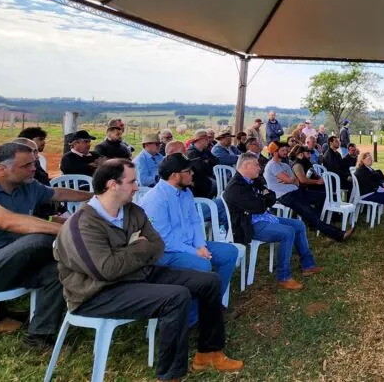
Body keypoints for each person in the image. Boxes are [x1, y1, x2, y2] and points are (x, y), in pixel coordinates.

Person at [54, 159, 243, 377]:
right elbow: (105, 270)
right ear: (111, 185)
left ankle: (209, 353)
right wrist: (139, 247)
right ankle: (170, 375)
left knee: (209, 281)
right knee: (177, 296)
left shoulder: (132, 211)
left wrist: (136, 249)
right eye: (131, 182)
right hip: (98, 292)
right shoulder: (82, 223)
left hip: (137, 275)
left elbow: (157, 245)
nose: (137, 187)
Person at [0, 142, 92, 348]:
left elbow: (59, 193)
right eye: (27, 165)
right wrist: (69, 232)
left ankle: (39, 337)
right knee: (38, 240)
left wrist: (96, 197)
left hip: (5, 266)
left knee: (57, 270)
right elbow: (6, 221)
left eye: (34, 163)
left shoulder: (27, 187)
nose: (34, 169)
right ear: (1, 169)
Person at [139, 154, 238, 308]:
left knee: (229, 252)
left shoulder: (185, 192)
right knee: (203, 266)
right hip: (167, 253)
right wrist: (195, 252)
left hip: (190, 244)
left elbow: (195, 220)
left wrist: (200, 245)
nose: (192, 173)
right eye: (188, 171)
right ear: (174, 175)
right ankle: (192, 316)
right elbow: (164, 240)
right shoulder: (156, 199)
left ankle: (212, 304)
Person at [224, 153, 325, 290]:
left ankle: (308, 265)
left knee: (299, 225)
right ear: (246, 166)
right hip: (249, 225)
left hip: (265, 218)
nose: (259, 168)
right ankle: (284, 277)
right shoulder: (235, 187)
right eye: (256, 165)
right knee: (288, 232)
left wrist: (262, 198)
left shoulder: (254, 180)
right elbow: (259, 206)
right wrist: (263, 198)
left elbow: (271, 196)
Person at [263, 141, 352, 242]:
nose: (285, 152)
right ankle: (339, 235)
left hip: (297, 192)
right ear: (274, 152)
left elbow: (295, 181)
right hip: (285, 196)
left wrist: (288, 179)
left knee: (325, 196)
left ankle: (313, 223)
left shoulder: (285, 165)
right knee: (311, 214)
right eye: (282, 150)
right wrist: (289, 179)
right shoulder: (272, 165)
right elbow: (290, 179)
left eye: (286, 150)